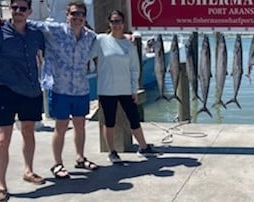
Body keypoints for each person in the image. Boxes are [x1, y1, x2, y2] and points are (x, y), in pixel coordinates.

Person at [28, 0, 99, 178]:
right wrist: (1, 22)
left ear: (85, 17)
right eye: (73, 14)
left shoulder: (90, 36)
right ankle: (57, 164)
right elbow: (30, 23)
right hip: (60, 89)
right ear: (67, 15)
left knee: (80, 125)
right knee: (61, 126)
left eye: (81, 14)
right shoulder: (55, 30)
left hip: (81, 89)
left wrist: (129, 37)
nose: (77, 17)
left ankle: (80, 157)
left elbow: (107, 41)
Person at [91, 10, 161, 163]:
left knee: (134, 119)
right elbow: (87, 54)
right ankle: (112, 151)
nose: (116, 25)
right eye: (113, 21)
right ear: (109, 24)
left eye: (119, 21)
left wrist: (134, 89)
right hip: (106, 90)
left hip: (126, 90)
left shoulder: (129, 44)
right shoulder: (101, 40)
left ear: (124, 24)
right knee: (109, 122)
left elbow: (134, 68)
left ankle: (143, 147)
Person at [0, 0, 45, 200]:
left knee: (28, 132)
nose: (18, 12)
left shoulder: (36, 34)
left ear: (29, 12)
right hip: (4, 89)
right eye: (14, 8)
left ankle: (28, 171)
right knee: (3, 138)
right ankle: (1, 185)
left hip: (30, 90)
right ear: (10, 10)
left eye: (22, 9)